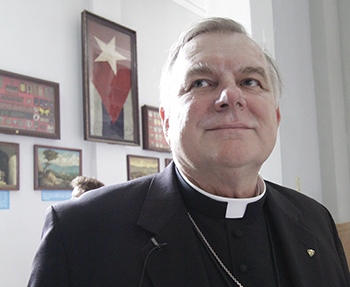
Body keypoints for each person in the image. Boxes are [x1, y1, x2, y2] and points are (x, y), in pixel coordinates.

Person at [28, 17, 350, 287]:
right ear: (166, 122)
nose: (230, 96)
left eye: (250, 81)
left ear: (275, 117)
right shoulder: (80, 233)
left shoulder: (315, 220)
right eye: (201, 83)